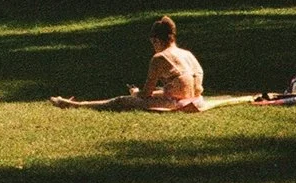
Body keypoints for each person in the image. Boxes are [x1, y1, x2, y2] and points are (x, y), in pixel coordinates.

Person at [52, 16, 206, 112]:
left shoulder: (160, 57)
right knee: (150, 92)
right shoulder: (187, 54)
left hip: (177, 104)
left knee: (120, 101)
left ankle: (75, 105)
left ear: (156, 40)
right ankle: (74, 104)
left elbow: (146, 95)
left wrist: (138, 94)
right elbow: (194, 86)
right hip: (196, 100)